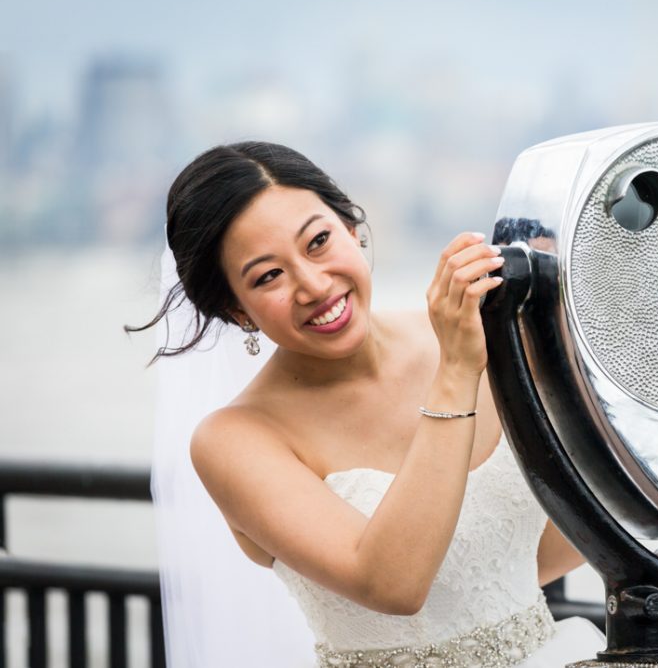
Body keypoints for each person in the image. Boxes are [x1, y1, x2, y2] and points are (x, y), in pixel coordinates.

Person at [126, 141, 605, 667]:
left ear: (352, 229)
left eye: (318, 242)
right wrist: (456, 372)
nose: (313, 285)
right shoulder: (233, 441)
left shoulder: (475, 332)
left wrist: (576, 358)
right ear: (236, 310)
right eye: (268, 276)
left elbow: (536, 556)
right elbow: (392, 585)